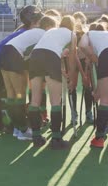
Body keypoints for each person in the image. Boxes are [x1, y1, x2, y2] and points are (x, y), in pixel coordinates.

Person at [0, 16, 57, 140]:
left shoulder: (33, 31)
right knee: (20, 96)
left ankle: (17, 128)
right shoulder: (45, 34)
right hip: (14, 56)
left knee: (11, 95)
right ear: (49, 27)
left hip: (3, 54)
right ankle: (23, 130)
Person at [0, 5, 43, 131]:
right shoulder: (28, 32)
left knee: (2, 91)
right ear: (33, 21)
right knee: (5, 92)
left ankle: (1, 121)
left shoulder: (23, 30)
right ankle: (0, 122)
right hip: (0, 62)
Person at [28, 16, 77, 149]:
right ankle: (56, 139)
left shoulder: (51, 31)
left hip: (35, 57)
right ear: (72, 25)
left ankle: (36, 137)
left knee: (35, 100)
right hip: (50, 58)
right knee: (56, 101)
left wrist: (60, 68)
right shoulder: (72, 34)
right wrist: (71, 77)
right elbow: (72, 58)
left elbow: (50, 50)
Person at [72, 12, 94, 124]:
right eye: (77, 20)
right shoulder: (71, 34)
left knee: (87, 86)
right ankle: (74, 114)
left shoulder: (87, 33)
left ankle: (88, 112)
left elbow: (90, 49)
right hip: (73, 62)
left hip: (85, 62)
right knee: (72, 86)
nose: (79, 23)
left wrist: (88, 60)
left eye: (81, 20)